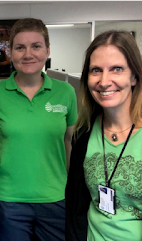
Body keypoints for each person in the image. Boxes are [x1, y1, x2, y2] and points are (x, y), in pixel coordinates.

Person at [0, 18, 78, 241]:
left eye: (36, 46)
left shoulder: (66, 92)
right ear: (11, 52)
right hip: (8, 201)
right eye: (20, 47)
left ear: (47, 50)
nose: (28, 54)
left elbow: (70, 141)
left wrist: (72, 189)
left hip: (56, 199)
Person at [65, 30, 142, 241]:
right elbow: (75, 206)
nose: (104, 81)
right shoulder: (84, 132)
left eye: (116, 69)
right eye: (96, 70)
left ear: (134, 76)